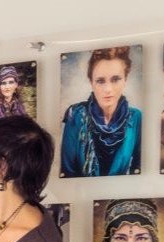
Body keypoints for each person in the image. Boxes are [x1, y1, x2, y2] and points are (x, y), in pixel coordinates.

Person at [61, 46, 142, 177]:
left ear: (125, 80)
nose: (108, 89)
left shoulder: (136, 117)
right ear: (91, 82)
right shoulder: (75, 115)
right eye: (100, 81)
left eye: (115, 79)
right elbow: (68, 170)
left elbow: (138, 169)